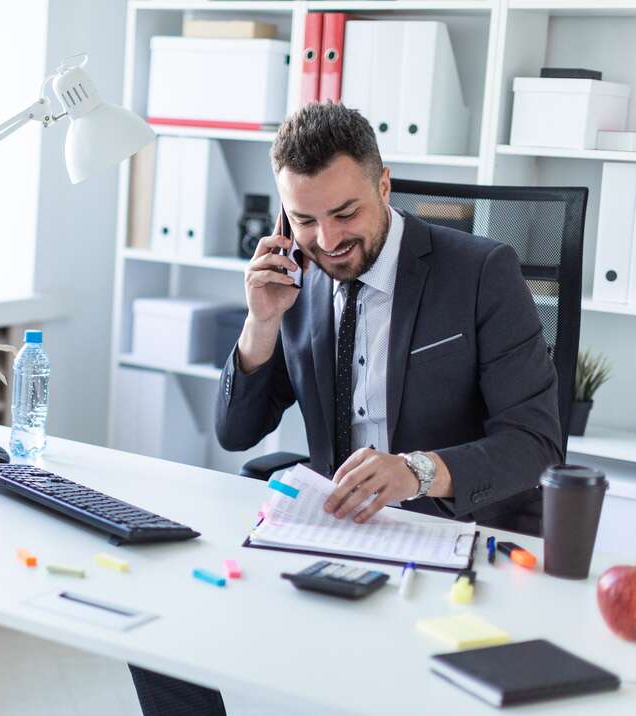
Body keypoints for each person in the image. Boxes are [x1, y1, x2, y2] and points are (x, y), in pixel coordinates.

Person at [128, 102, 562, 716]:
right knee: (163, 632)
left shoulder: (481, 272)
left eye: (345, 212)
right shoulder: (296, 278)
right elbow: (236, 431)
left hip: (451, 537)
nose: (327, 241)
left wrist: (415, 469)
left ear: (383, 185)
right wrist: (260, 324)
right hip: (337, 532)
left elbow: (536, 440)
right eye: (304, 219)